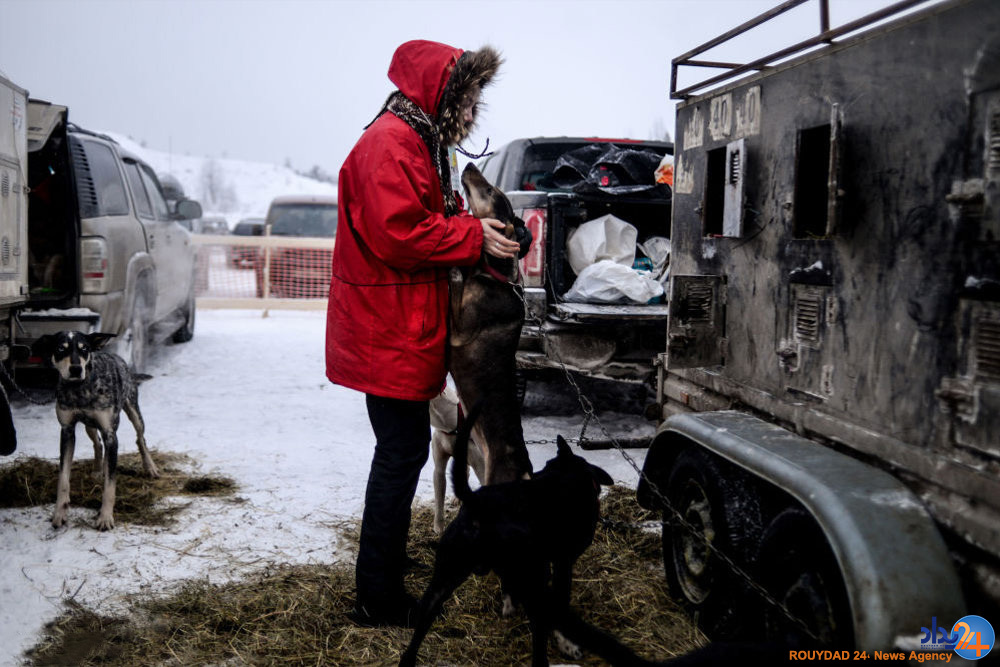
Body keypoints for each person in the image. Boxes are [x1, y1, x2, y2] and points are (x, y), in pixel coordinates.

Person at [325, 40, 520, 628]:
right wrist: (473, 237)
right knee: (400, 453)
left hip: (398, 324)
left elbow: (423, 219)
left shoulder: (414, 142)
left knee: (401, 450)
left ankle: (382, 569)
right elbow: (400, 235)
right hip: (389, 328)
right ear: (441, 93)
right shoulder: (390, 145)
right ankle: (377, 597)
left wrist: (470, 226)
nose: (470, 114)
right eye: (466, 100)